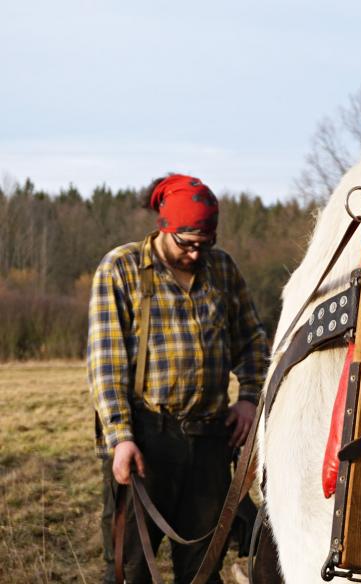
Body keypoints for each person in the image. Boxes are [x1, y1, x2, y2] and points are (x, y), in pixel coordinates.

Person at [88, 173, 269, 583]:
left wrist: (249, 397)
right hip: (146, 439)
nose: (194, 254)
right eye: (186, 243)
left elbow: (253, 340)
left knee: (204, 568)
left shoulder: (222, 269)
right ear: (163, 227)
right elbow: (106, 362)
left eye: (205, 244)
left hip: (210, 441)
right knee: (129, 568)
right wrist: (121, 437)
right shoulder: (122, 268)